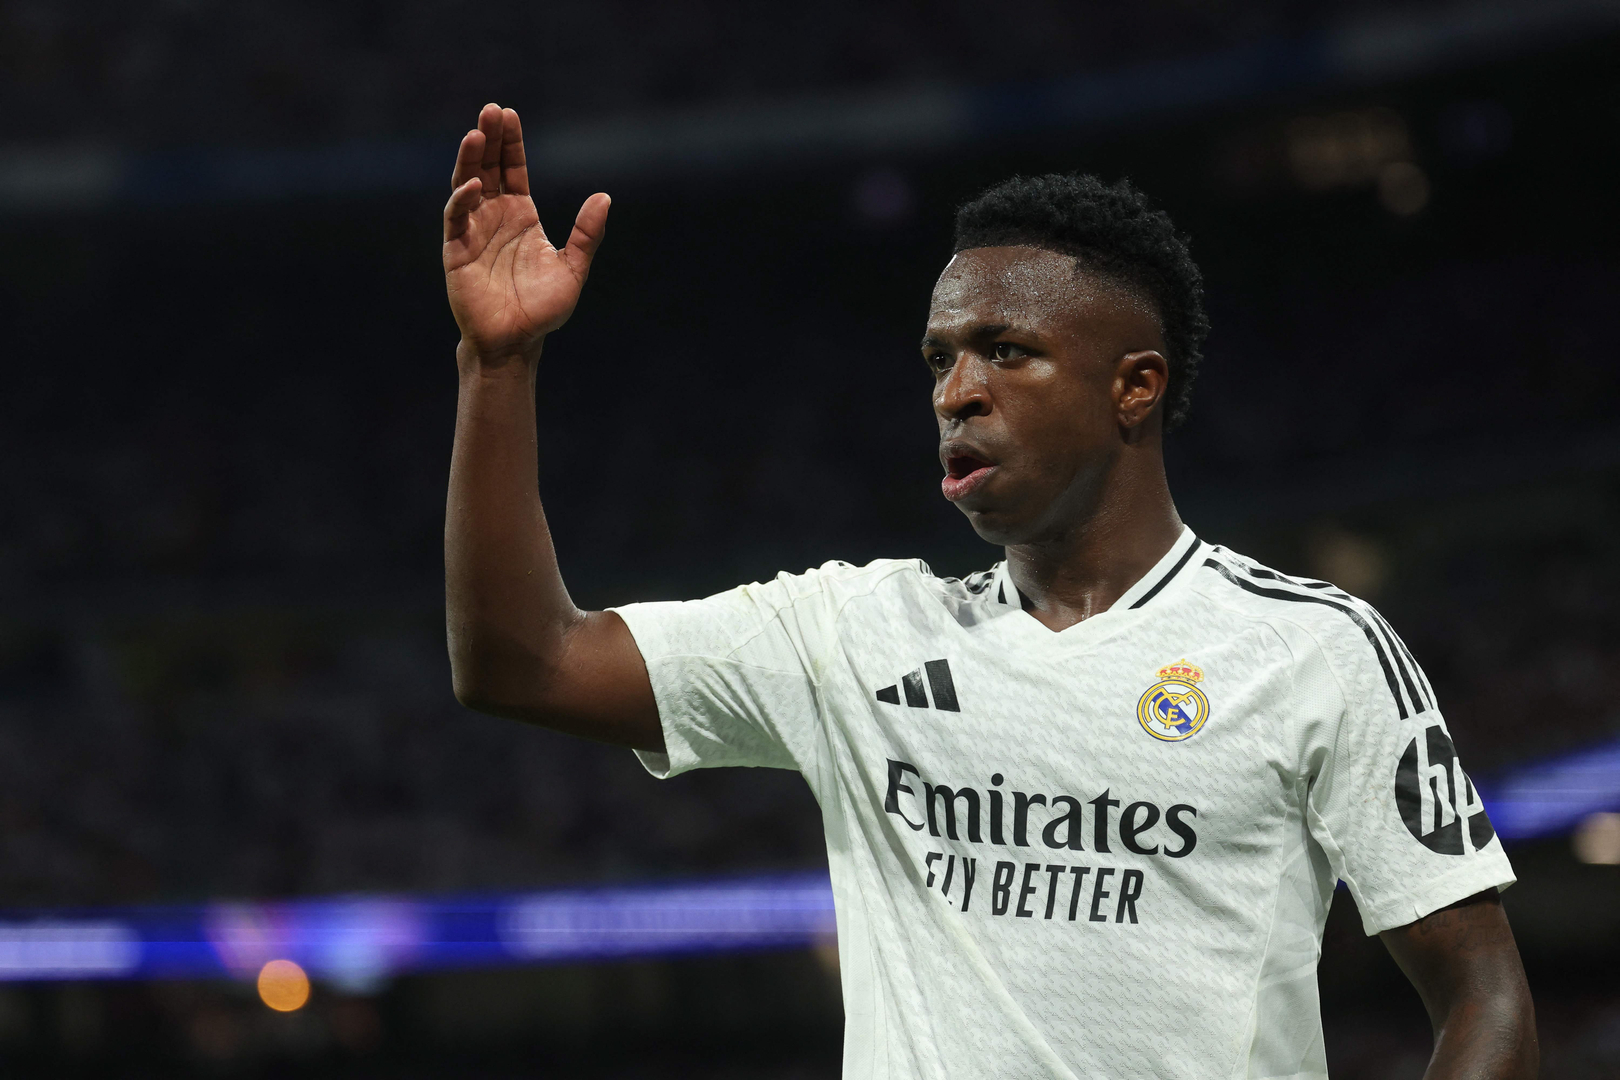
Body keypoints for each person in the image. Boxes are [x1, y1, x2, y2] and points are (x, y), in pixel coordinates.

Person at [441, 102, 1537, 1080]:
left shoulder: (1314, 650)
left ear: (1134, 387)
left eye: (1006, 351)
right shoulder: (853, 634)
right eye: (939, 359)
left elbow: (1486, 1003)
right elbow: (522, 662)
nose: (956, 393)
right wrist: (499, 366)